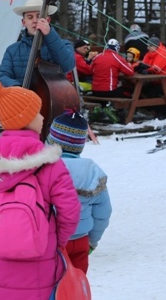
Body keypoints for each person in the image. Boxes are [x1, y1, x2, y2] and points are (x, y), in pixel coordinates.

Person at [0, 80, 81, 299]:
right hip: (43, 256)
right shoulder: (49, 162)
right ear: (26, 119)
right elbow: (70, 210)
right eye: (37, 113)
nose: (42, 117)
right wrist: (58, 239)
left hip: (0, 252)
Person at [46, 110, 112, 274]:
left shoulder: (45, 170)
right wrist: (92, 241)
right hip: (81, 241)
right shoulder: (93, 172)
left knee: (52, 288)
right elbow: (103, 212)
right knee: (76, 287)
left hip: (53, 242)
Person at [0, 0, 75, 87]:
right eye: (30, 17)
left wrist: (50, 35)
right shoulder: (12, 50)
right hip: (22, 99)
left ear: (48, 20)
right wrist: (18, 89)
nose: (35, 21)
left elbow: (67, 66)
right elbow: (1, 76)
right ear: (24, 22)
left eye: (39, 16)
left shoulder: (64, 44)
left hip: (52, 99)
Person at [90, 39, 134, 123]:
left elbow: (90, 70)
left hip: (95, 90)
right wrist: (129, 66)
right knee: (128, 93)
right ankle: (117, 113)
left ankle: (100, 110)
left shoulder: (97, 57)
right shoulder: (117, 58)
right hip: (109, 90)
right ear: (117, 48)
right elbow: (130, 72)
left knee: (105, 93)